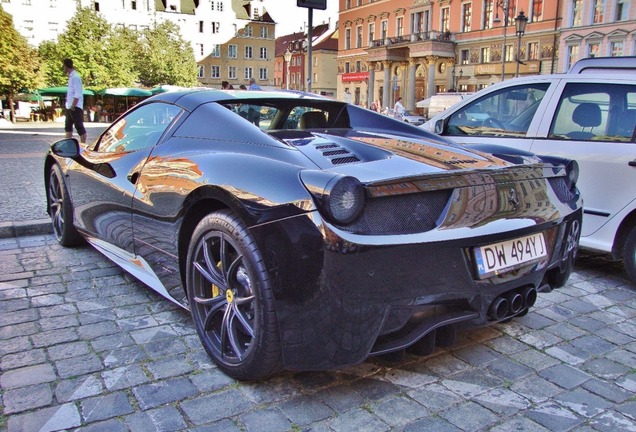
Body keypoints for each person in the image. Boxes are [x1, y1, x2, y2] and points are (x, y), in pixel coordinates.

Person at [63, 58, 86, 143]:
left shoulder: (75, 77)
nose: (63, 68)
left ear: (66, 66)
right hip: (70, 106)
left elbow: (78, 93)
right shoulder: (71, 77)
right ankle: (67, 144)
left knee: (79, 126)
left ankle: (83, 144)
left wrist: (73, 105)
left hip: (75, 106)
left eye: (64, 66)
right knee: (68, 126)